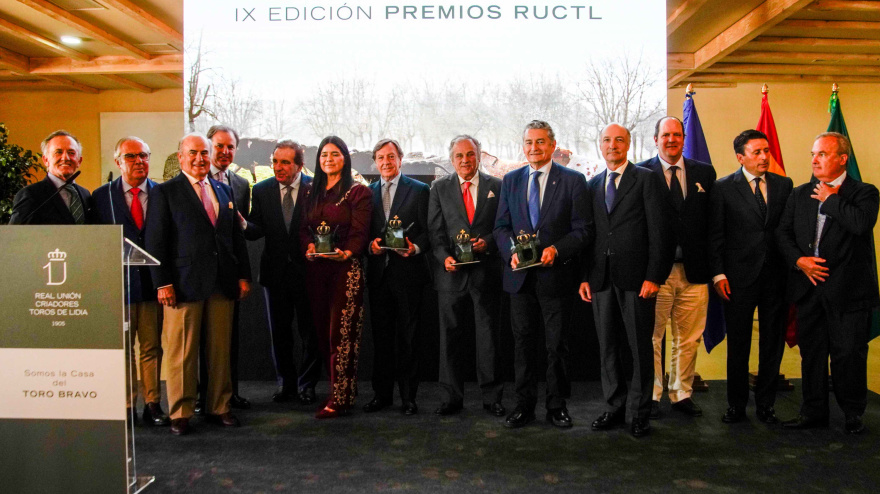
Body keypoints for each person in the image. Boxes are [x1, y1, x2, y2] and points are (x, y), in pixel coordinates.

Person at [145, 132, 252, 436]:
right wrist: (162, 282)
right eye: (192, 153)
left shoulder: (224, 190)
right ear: (180, 157)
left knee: (220, 351)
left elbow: (234, 239)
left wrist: (243, 275)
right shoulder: (165, 192)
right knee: (182, 352)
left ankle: (219, 407)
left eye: (204, 153)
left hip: (222, 283)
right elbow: (156, 241)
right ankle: (180, 411)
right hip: (182, 285)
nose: (200, 158)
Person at [776, 132, 879, 434]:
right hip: (809, 288)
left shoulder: (864, 192)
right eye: (813, 154)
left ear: (842, 159)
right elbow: (783, 235)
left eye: (822, 154)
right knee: (813, 354)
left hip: (848, 291)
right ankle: (813, 411)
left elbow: (860, 224)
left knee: (848, 354)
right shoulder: (799, 193)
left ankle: (852, 413)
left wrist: (831, 199)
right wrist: (799, 261)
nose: (814, 159)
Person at [494, 120, 591, 429]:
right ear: (523, 147)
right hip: (520, 279)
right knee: (522, 344)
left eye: (540, 142)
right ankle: (524, 405)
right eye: (528, 142)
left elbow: (583, 229)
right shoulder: (510, 180)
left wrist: (557, 250)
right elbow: (500, 228)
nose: (534, 148)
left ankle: (557, 405)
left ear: (552, 145)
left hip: (556, 277)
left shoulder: (573, 181)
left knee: (557, 346)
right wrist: (510, 252)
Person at [579, 123, 674, 438]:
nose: (612, 145)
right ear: (600, 145)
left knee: (638, 349)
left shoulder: (647, 180)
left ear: (628, 145)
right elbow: (590, 235)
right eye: (606, 140)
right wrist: (584, 277)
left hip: (637, 280)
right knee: (607, 348)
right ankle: (614, 409)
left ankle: (639, 413)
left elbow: (662, 232)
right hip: (601, 280)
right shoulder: (593, 185)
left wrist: (654, 276)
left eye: (618, 140)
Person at [708, 129, 792, 425]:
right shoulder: (722, 188)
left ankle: (766, 405)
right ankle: (736, 405)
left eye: (766, 151)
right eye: (757, 152)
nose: (764, 157)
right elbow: (715, 235)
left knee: (772, 343)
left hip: (776, 278)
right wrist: (718, 274)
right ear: (740, 157)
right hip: (738, 278)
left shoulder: (784, 185)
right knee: (739, 345)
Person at [637, 116, 715, 419]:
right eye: (666, 135)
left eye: (677, 135)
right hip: (657, 273)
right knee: (653, 337)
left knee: (689, 338)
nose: (672, 140)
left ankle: (681, 393)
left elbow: (711, 223)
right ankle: (654, 394)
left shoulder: (704, 173)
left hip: (694, 271)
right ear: (656, 139)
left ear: (684, 139)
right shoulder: (642, 173)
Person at [91, 136, 169, 426]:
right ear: (118, 161)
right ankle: (125, 406)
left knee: (151, 347)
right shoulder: (100, 197)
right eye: (131, 157)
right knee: (122, 349)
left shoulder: (163, 193)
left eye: (144, 156)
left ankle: (152, 404)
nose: (139, 162)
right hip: (117, 287)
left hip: (152, 285)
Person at [428, 135, 505, 417]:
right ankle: (451, 398)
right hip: (451, 276)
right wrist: (443, 258)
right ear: (451, 160)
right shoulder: (439, 188)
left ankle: (492, 398)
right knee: (449, 338)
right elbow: (435, 233)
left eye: (470, 155)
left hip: (486, 274)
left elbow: (502, 226)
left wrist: (488, 242)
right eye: (459, 156)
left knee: (489, 339)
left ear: (479, 155)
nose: (465, 160)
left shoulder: (497, 186)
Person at [300, 136, 372, 419]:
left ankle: (340, 397)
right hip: (316, 271)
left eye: (335, 154)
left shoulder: (358, 192)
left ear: (345, 158)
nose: (328, 159)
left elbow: (360, 232)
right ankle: (339, 391)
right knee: (321, 334)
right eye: (324, 155)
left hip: (346, 271)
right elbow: (303, 228)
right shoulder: (309, 191)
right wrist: (307, 246)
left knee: (341, 335)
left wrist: (347, 253)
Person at [244, 140, 320, 405]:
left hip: (309, 273)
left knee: (310, 334)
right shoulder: (262, 190)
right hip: (274, 276)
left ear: (299, 165)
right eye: (275, 161)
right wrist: (242, 224)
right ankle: (285, 385)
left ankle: (307, 385)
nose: (278, 167)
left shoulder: (315, 187)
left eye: (285, 162)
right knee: (280, 334)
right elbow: (256, 230)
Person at [363, 139, 431, 416]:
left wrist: (414, 248)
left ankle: (408, 397)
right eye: (380, 158)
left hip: (408, 274)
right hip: (379, 274)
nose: (386, 162)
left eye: (391, 157)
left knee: (409, 338)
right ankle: (382, 395)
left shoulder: (420, 190)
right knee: (381, 339)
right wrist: (371, 246)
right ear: (375, 162)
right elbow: (363, 233)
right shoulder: (367, 194)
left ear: (400, 159)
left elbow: (429, 231)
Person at [201, 124, 252, 411]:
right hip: (197, 274)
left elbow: (241, 233)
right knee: (199, 342)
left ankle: (228, 394)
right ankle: (201, 396)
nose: (224, 152)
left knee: (228, 340)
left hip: (228, 274)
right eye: (219, 146)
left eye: (230, 147)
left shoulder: (241, 185)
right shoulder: (190, 180)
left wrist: (243, 274)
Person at [9, 130, 91, 225]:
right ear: (46, 160)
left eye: (71, 153)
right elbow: (15, 236)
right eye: (58, 152)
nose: (65, 158)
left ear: (79, 161)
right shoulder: (30, 195)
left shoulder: (85, 194)